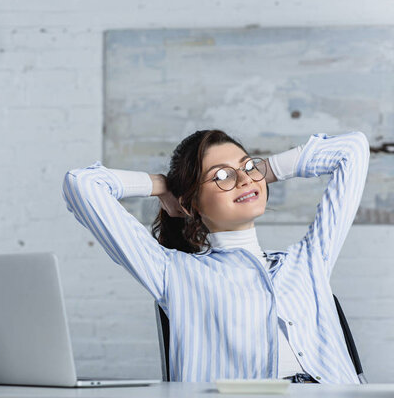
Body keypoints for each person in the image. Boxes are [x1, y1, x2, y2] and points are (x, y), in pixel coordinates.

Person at [62, 129, 369, 384]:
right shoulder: (175, 273)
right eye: (221, 175)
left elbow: (352, 150)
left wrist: (265, 171)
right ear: (190, 204)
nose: (244, 179)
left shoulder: (308, 261)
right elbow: (83, 184)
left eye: (247, 166)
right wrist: (162, 185)